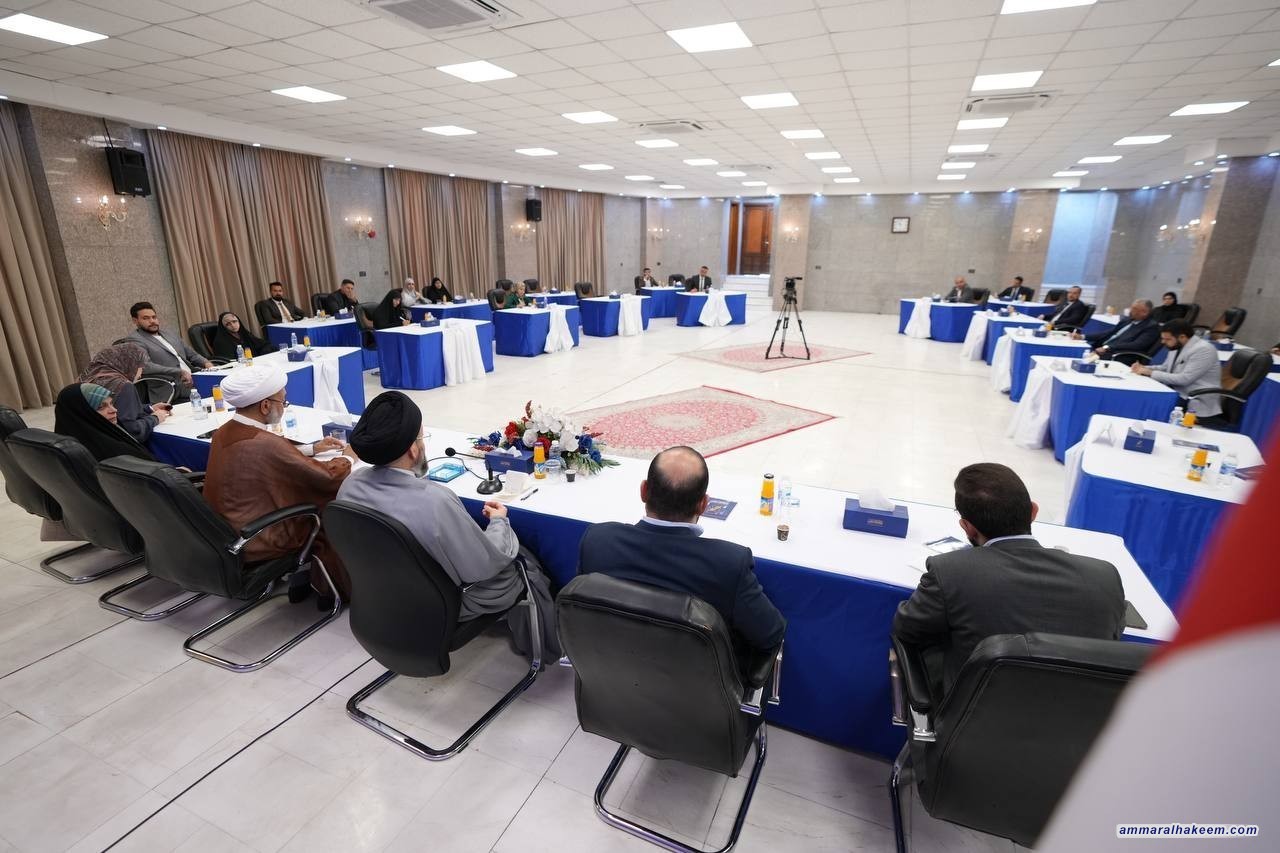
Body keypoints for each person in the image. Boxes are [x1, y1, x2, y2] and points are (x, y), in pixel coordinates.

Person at [337, 392, 560, 659]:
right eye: (421, 438)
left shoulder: (350, 485)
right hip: (440, 606)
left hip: (381, 600)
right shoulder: (434, 501)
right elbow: (484, 564)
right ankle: (546, 650)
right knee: (524, 562)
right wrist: (499, 522)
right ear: (412, 450)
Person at [892, 463, 1125, 697]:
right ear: (1033, 512)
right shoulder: (1105, 577)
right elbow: (1112, 640)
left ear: (967, 528)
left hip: (977, 714)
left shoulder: (949, 571)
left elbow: (907, 628)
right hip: (1078, 716)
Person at [577, 446, 785, 668]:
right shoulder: (729, 564)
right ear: (703, 505)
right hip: (696, 685)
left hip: (609, 674)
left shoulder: (597, 540)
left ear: (643, 491)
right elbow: (770, 634)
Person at [203, 363, 355, 603]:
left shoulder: (224, 431)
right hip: (259, 537)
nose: (284, 407)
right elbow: (326, 478)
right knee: (332, 510)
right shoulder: (264, 443)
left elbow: (269, 452)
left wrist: (312, 448)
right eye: (283, 402)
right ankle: (332, 589)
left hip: (228, 531)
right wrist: (347, 457)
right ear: (265, 406)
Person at [79, 341, 170, 446]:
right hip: (118, 446)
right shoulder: (123, 386)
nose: (141, 373)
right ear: (129, 363)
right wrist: (155, 418)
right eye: (140, 366)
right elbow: (132, 432)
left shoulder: (86, 379)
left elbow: (116, 411)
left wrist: (150, 409)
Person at [1131, 319, 1222, 418]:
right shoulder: (1177, 345)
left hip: (1193, 398)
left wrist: (1150, 373)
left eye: (1167, 339)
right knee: (1141, 397)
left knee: (1147, 403)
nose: (1163, 342)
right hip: (1175, 392)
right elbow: (1166, 368)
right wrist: (1143, 368)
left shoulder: (1204, 349)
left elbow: (1184, 379)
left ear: (1182, 337)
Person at [53, 383, 156, 462]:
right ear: (82, 413)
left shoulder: (60, 449)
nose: (114, 410)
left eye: (111, 403)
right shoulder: (120, 455)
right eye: (101, 407)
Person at [127, 302, 212, 398]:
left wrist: (207, 364)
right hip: (172, 388)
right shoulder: (134, 340)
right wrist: (179, 372)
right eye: (146, 318)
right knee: (214, 393)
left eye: (154, 317)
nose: (152, 321)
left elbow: (192, 354)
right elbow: (146, 366)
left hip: (195, 379)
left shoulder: (169, 334)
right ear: (135, 321)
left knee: (222, 385)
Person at [1079, 299, 1159, 363]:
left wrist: (1108, 347)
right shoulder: (1127, 320)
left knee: (1082, 361)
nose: (1130, 311)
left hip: (1117, 355)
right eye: (1131, 308)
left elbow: (1136, 345)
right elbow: (1109, 333)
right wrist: (1083, 336)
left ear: (1144, 312)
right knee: (1078, 353)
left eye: (1134, 309)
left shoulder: (1151, 327)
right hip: (1100, 349)